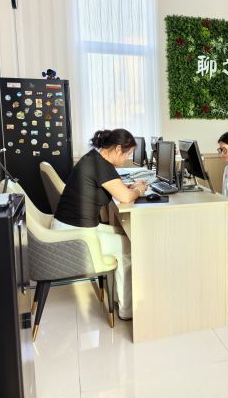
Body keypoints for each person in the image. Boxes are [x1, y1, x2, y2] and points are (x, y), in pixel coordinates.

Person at [52, 128, 147, 320]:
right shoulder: (101, 166)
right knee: (129, 246)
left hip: (68, 228)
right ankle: (127, 310)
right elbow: (125, 197)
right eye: (128, 153)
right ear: (118, 149)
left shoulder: (94, 159)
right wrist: (138, 190)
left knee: (124, 235)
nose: (127, 158)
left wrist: (127, 188)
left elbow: (114, 188)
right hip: (75, 235)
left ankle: (119, 298)